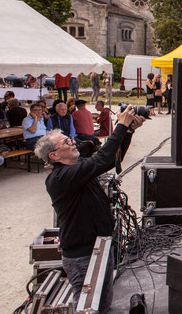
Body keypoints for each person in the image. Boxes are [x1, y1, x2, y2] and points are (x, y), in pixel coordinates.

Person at [34, 106, 144, 312]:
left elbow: (109, 160)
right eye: (66, 142)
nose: (73, 141)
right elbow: (101, 160)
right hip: (83, 255)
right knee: (87, 307)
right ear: (54, 156)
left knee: (102, 304)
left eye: (69, 138)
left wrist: (128, 131)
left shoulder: (75, 168)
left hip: (98, 248)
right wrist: (120, 125)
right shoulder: (60, 178)